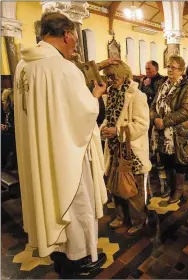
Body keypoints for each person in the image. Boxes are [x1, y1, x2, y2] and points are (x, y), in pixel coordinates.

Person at [13, 12, 112, 277]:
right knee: (75, 201)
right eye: (75, 40)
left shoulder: (24, 64)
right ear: (67, 34)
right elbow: (85, 113)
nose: (75, 46)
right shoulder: (62, 68)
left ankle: (58, 253)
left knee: (49, 199)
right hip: (66, 153)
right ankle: (78, 260)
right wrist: (96, 95)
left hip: (40, 153)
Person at [101, 60, 152, 236]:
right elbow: (109, 118)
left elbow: (142, 124)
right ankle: (121, 216)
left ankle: (138, 220)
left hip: (132, 150)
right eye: (108, 77)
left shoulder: (137, 95)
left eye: (112, 76)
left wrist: (118, 131)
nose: (110, 80)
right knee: (115, 184)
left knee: (133, 188)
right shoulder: (111, 93)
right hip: (115, 148)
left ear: (123, 75)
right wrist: (104, 130)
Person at [150, 55, 188, 204]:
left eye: (173, 67)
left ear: (181, 70)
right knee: (165, 160)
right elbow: (153, 105)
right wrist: (155, 118)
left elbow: (186, 110)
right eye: (168, 66)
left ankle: (178, 191)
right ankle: (170, 187)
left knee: (179, 162)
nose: (169, 70)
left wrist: (165, 121)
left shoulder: (186, 88)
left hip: (177, 131)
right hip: (161, 131)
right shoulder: (163, 85)